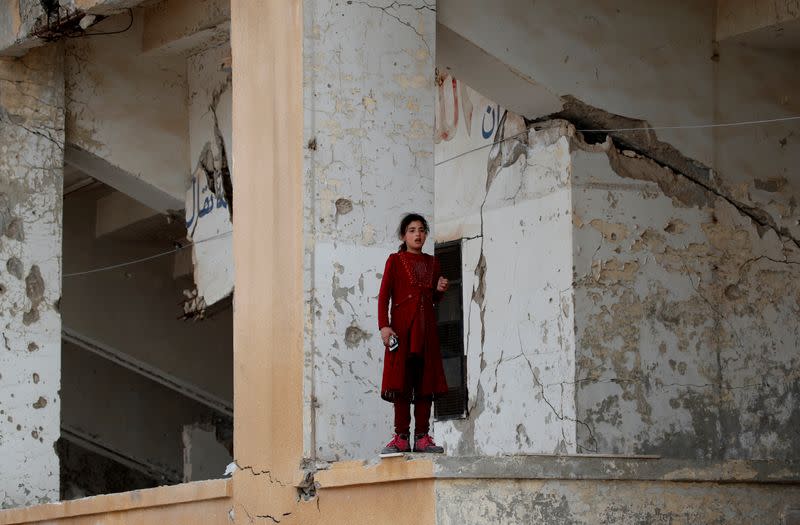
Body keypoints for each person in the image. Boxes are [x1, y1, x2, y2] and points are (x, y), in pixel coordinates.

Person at [378, 213, 449, 454]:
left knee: (425, 383)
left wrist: (439, 290)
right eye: (411, 230)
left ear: (426, 234)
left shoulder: (433, 263)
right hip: (402, 332)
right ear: (403, 236)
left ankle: (421, 437)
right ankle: (400, 437)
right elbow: (384, 295)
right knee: (401, 383)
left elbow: (433, 299)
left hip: (426, 333)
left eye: (421, 230)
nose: (417, 234)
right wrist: (384, 326)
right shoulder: (395, 261)